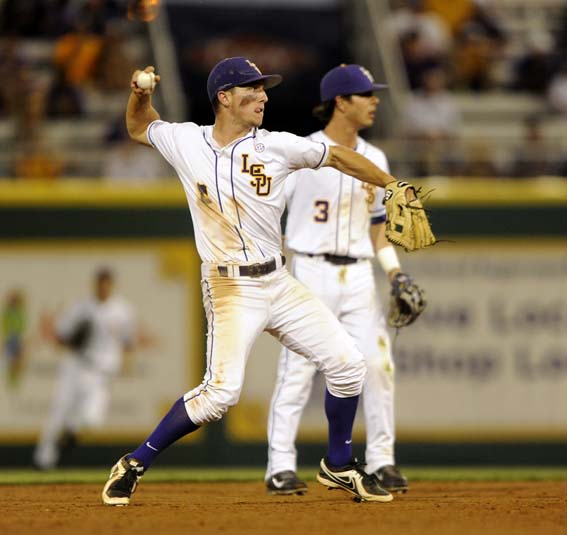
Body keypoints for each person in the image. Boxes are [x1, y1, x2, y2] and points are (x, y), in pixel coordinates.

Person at [101, 57, 417, 506]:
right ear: (224, 97)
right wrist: (140, 94)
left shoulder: (278, 147)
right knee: (220, 395)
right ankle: (135, 461)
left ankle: (339, 464)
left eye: (264, 89)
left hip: (279, 281)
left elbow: (339, 156)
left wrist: (390, 183)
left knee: (349, 365)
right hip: (231, 287)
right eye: (252, 89)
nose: (264, 96)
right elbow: (139, 127)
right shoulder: (186, 141)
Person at [265, 64, 416, 496]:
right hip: (309, 270)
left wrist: (396, 274)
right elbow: (272, 216)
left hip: (359, 275)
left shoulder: (377, 159)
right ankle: (279, 466)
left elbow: (376, 229)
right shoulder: (300, 153)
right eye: (366, 94)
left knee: (378, 366)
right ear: (341, 102)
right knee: (297, 370)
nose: (375, 101)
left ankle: (382, 461)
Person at [34, 268, 137, 470]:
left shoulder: (123, 310)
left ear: (111, 284)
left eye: (106, 282)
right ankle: (43, 460)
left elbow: (128, 342)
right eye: (100, 282)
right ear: (95, 284)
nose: (103, 286)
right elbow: (62, 338)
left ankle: (70, 434)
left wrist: (126, 364)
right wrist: (72, 340)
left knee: (92, 420)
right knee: (59, 410)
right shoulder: (81, 307)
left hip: (102, 373)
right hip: (77, 366)